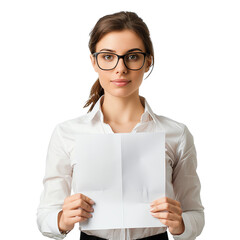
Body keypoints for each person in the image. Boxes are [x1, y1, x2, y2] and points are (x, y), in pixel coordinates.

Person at [37, 11, 204, 240]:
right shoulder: (67, 134)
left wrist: (181, 223)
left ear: (148, 62)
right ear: (94, 62)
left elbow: (194, 213)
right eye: (108, 56)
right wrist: (62, 219)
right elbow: (46, 213)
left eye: (132, 56)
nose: (120, 68)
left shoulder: (176, 134)